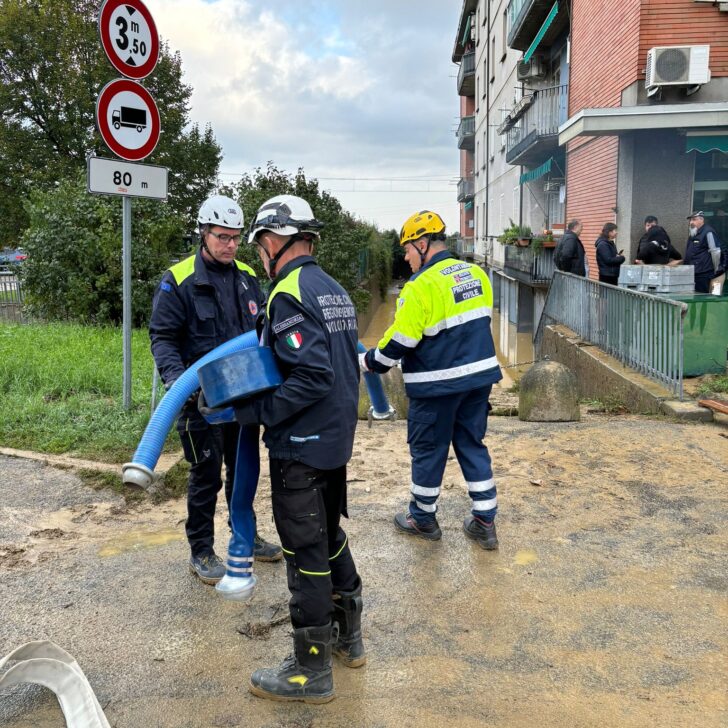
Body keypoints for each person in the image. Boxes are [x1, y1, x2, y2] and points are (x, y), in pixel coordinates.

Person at [236, 194, 364, 704]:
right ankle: (348, 638)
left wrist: (258, 413)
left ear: (273, 241)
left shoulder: (287, 293)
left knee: (304, 552)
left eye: (260, 246)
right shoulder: (332, 288)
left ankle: (310, 670)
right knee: (328, 534)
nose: (261, 256)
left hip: (302, 446)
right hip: (334, 441)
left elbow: (311, 373)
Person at [149, 195, 282, 585]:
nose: (231, 245)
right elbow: (162, 337)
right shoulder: (179, 280)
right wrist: (178, 382)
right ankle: (202, 550)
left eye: (237, 238)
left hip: (241, 397)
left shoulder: (245, 277)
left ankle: (246, 536)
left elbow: (262, 332)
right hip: (200, 401)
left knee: (243, 471)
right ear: (203, 233)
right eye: (223, 237)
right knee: (205, 474)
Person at [361, 210, 502, 549]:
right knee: (471, 442)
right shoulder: (477, 274)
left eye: (408, 250)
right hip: (480, 379)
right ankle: (485, 520)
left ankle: (422, 519)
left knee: (428, 448)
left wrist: (370, 362)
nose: (406, 257)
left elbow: (401, 341)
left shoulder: (419, 286)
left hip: (437, 385)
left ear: (422, 244)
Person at [683, 211, 727, 294]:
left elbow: (715, 252)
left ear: (701, 220)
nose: (691, 222)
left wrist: (717, 269)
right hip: (696, 273)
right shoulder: (694, 233)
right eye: (690, 220)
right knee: (698, 297)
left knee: (711, 297)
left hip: (706, 274)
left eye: (694, 220)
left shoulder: (708, 232)